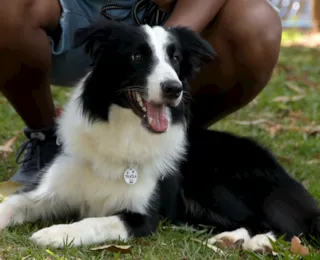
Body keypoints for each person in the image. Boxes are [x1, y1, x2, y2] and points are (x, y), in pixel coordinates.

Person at [0, 0, 282, 186]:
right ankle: (47, 140)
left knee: (257, 24)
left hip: (172, 15)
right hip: (69, 11)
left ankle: (166, 152)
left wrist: (167, 38)